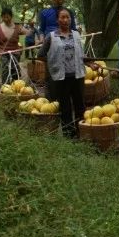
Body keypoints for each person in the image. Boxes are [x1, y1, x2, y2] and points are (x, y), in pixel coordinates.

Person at [37, 8, 86, 139]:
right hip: (60, 78)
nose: (65, 20)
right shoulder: (51, 36)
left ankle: (82, 133)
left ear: (71, 19)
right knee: (65, 108)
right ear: (57, 20)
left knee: (80, 106)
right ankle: (69, 136)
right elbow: (40, 54)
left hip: (77, 76)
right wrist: (53, 63)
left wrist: (90, 63)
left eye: (68, 17)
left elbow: (80, 54)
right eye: (62, 17)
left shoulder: (76, 35)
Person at [39, 0, 78, 98]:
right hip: (50, 46)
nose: (61, 1)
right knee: (50, 73)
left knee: (66, 73)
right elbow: (41, 29)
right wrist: (41, 39)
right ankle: (50, 100)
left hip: (66, 46)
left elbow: (74, 29)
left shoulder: (68, 12)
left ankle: (64, 99)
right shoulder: (45, 13)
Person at [0, 7, 26, 84]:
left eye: (7, 17)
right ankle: (5, 87)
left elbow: (28, 32)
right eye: (4, 17)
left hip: (15, 53)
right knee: (5, 70)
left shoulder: (17, 26)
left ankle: (16, 86)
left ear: (11, 16)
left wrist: (31, 28)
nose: (6, 19)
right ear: (2, 17)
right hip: (4, 53)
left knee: (15, 70)